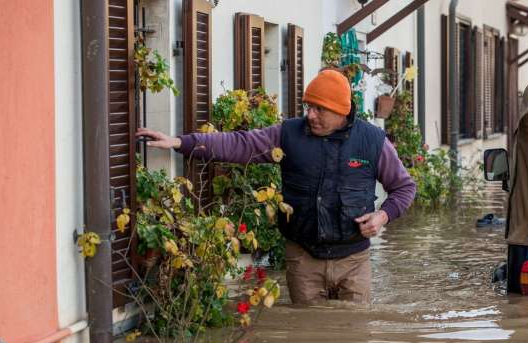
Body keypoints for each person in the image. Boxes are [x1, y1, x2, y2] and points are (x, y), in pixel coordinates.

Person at [137, 69, 416, 305]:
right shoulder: (288, 135)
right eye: (309, 106)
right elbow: (240, 145)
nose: (311, 115)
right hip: (303, 258)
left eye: (319, 109)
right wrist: (180, 143)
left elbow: (404, 187)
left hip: (354, 260)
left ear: (341, 110)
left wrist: (382, 216)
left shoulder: (372, 141)